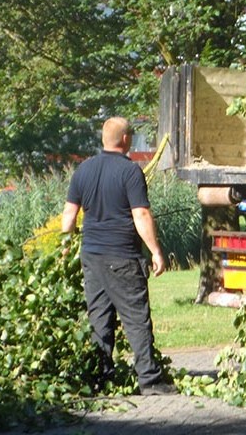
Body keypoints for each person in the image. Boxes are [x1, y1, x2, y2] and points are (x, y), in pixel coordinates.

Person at [61, 116, 174, 396]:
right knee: (136, 318)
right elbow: (141, 214)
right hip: (122, 256)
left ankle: (100, 378)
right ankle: (149, 379)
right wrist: (156, 251)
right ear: (125, 139)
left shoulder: (83, 170)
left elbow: (69, 214)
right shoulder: (130, 172)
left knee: (99, 319)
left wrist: (65, 249)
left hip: (91, 256)